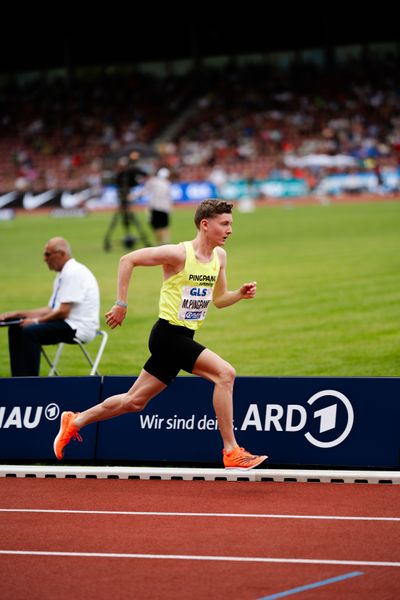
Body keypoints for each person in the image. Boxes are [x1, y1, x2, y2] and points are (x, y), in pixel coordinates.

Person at [53, 199, 268, 470]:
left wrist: (239, 294)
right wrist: (121, 303)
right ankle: (231, 450)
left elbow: (219, 299)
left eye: (230, 224)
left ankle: (75, 421)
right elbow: (127, 259)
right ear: (205, 224)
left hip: (183, 338)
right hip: (167, 335)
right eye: (224, 223)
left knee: (134, 402)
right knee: (225, 374)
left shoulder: (220, 258)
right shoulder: (178, 254)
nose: (229, 230)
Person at [0, 237, 100, 376]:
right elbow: (51, 309)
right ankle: (17, 380)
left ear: (62, 254)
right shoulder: (63, 273)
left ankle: (29, 384)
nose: (44, 259)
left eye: (48, 254)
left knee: (29, 331)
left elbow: (63, 312)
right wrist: (19, 314)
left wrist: (35, 321)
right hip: (67, 322)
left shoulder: (73, 272)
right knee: (16, 327)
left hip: (78, 327)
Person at [142, 167, 173, 244]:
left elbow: (145, 191)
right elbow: (169, 197)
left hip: (155, 207)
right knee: (164, 226)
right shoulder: (167, 183)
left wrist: (134, 196)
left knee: (157, 226)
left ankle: (160, 242)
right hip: (164, 207)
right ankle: (165, 242)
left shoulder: (153, 181)